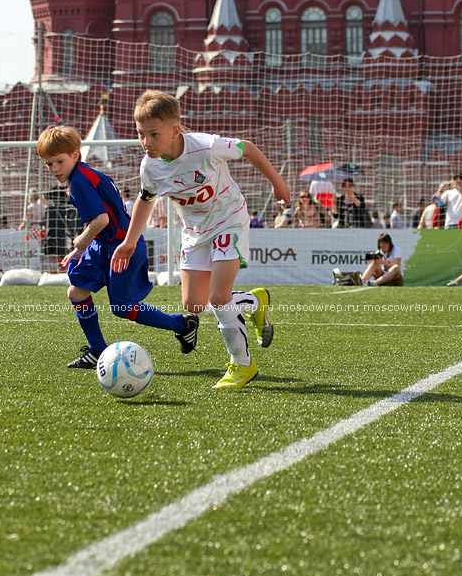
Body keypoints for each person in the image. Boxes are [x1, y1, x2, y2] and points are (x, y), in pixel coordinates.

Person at [111, 89, 291, 390]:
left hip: (228, 219)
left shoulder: (206, 147)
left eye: (154, 134)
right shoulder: (150, 166)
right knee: (194, 304)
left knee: (219, 297)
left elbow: (247, 148)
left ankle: (242, 365)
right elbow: (146, 199)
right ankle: (253, 302)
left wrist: (278, 183)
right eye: (141, 134)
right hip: (194, 231)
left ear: (175, 129)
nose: (146, 142)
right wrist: (130, 241)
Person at [36, 124, 199, 369]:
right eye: (49, 164)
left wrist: (81, 240)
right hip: (105, 245)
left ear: (74, 155)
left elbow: (101, 220)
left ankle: (182, 325)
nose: (54, 169)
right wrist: (81, 249)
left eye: (59, 162)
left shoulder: (79, 181)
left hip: (122, 248)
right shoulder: (83, 174)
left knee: (122, 308)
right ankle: (97, 350)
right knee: (77, 292)